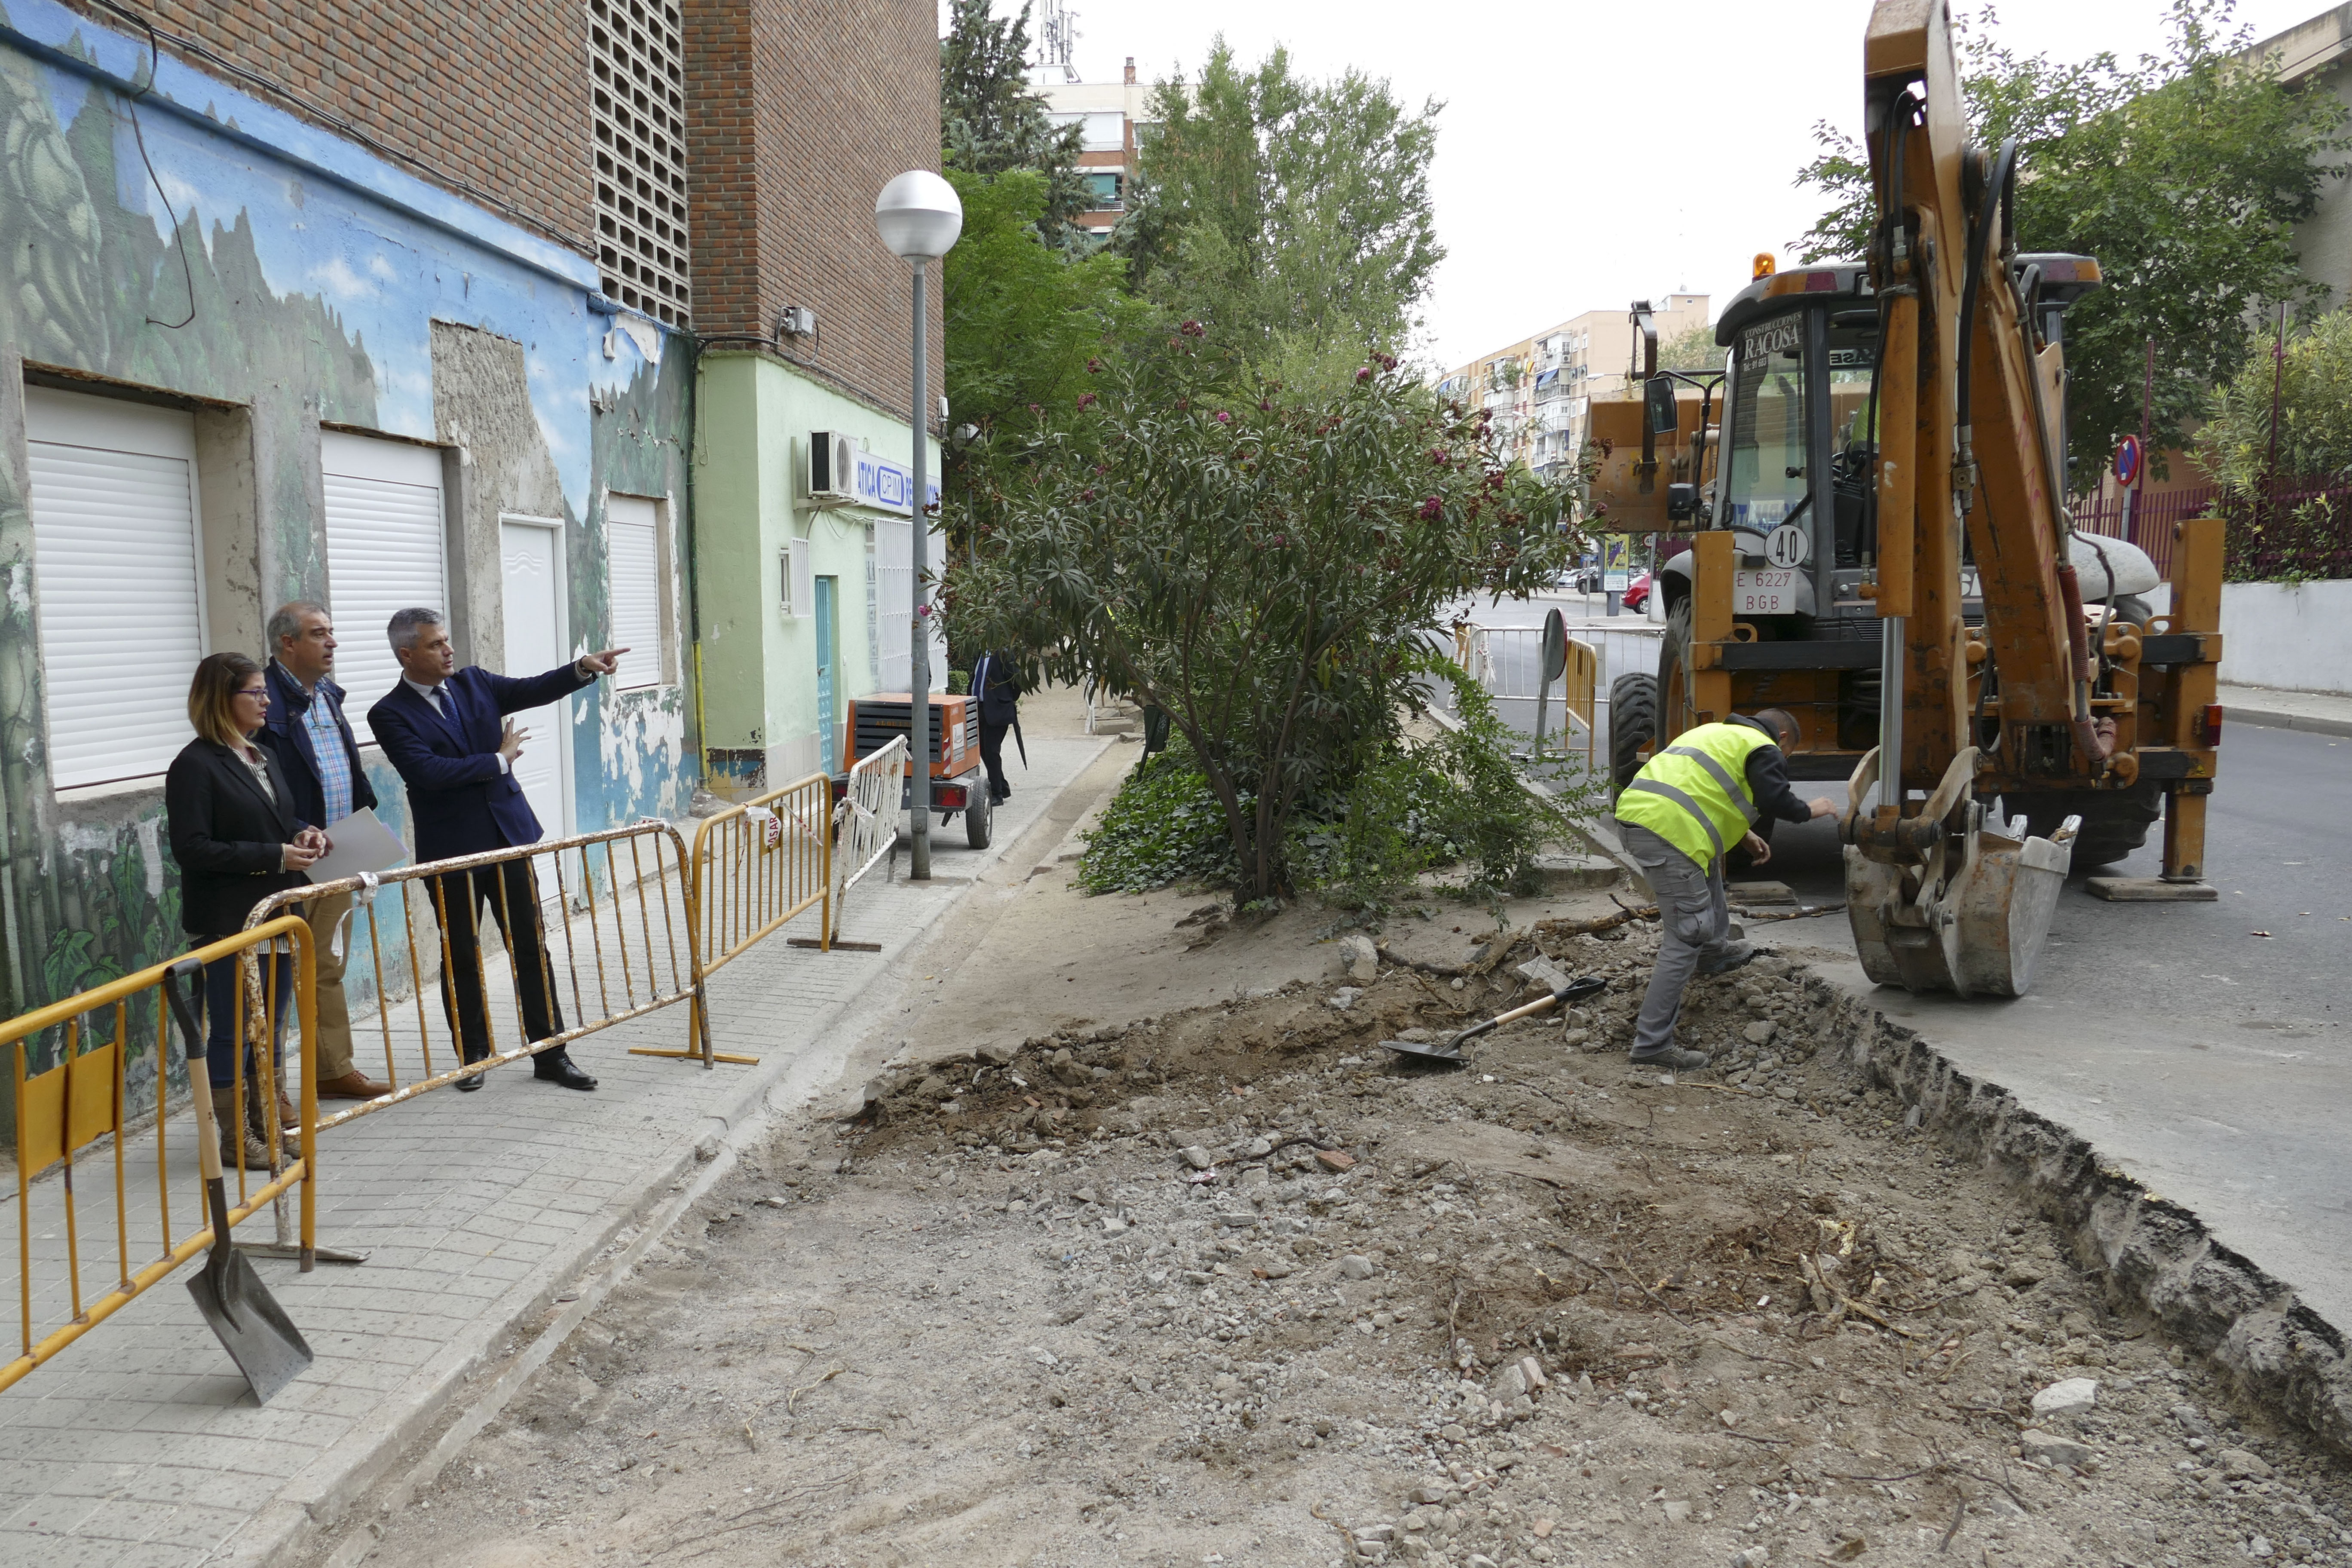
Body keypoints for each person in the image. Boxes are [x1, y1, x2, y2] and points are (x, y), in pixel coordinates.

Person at [367, 608, 625, 1093]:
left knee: (530, 947)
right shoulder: (388, 713)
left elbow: (533, 689)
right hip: (453, 852)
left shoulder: (474, 683)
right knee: (461, 953)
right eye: (435, 645)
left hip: (508, 840)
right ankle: (474, 1056)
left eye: (447, 640)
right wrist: (498, 761)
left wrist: (583, 668)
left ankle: (551, 1053)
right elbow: (428, 773)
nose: (448, 650)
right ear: (407, 654)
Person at [1613, 707, 1837, 1070]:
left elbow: (1697, 788)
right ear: (1782, 738)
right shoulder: (1762, 747)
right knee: (1688, 933)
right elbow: (1775, 800)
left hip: (1643, 819)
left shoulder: (1714, 734)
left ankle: (1714, 954)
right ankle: (1652, 1044)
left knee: (1706, 868)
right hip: (1668, 832)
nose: (1782, 760)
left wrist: (1744, 833)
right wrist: (1814, 809)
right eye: (1788, 754)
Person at [165, 652, 324, 1160]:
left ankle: (268, 1126)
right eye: (254, 693)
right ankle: (233, 1140)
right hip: (228, 920)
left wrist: (303, 831)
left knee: (270, 1026)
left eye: (264, 691)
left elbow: (276, 820)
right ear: (220, 699)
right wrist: (275, 855)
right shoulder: (194, 765)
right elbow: (192, 848)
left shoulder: (261, 756)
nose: (266, 700)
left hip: (276, 914)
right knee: (234, 1031)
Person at [257, 601, 390, 1101]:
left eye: (331, 632)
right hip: (293, 859)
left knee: (327, 964)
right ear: (288, 643)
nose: (332, 642)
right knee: (275, 976)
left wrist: (362, 821)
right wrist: (295, 831)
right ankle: (268, 1089)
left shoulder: (328, 695)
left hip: (339, 852)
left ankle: (333, 1068)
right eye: (319, 634)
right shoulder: (262, 701)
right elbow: (257, 786)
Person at [970, 648, 1019, 805]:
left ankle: (997, 793)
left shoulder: (1004, 653)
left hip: (998, 711)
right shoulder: (980, 653)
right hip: (980, 708)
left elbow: (1017, 680)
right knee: (983, 750)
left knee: (991, 750)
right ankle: (1003, 786)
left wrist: (1006, 700)